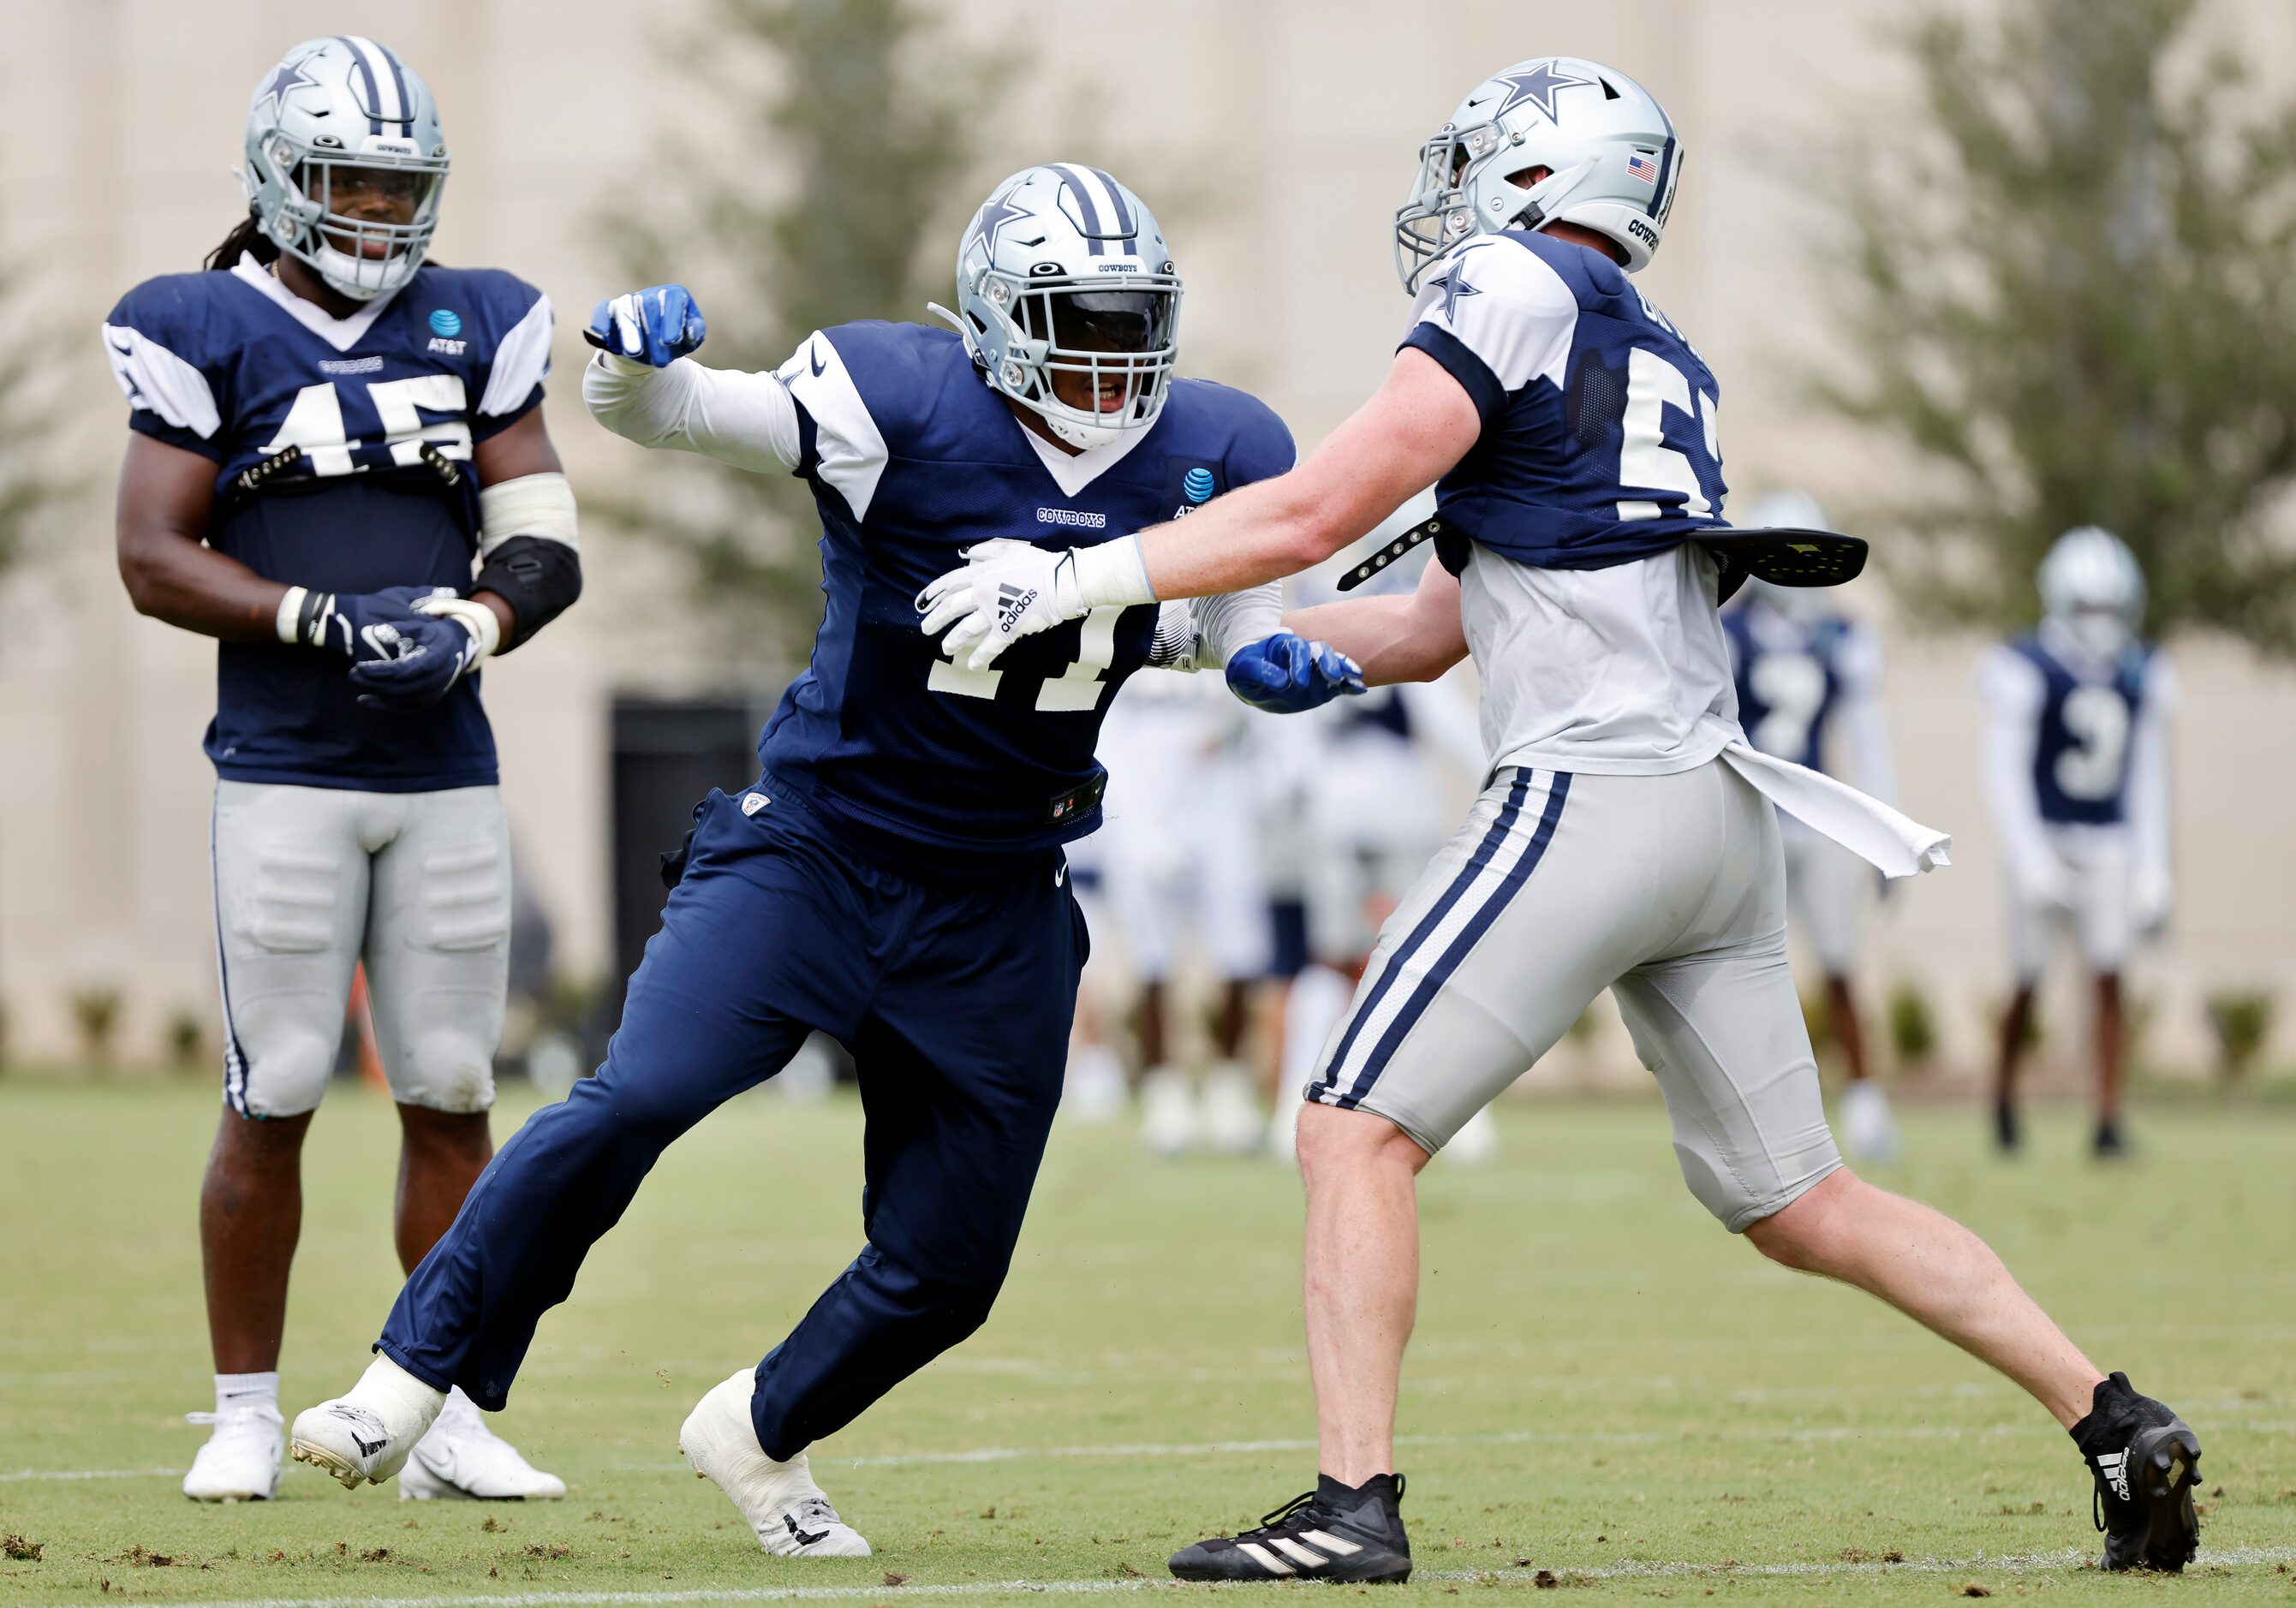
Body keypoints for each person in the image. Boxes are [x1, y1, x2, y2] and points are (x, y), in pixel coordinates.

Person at [922, 58, 2205, 1580]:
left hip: (1591, 796)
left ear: (1537, 177)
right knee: (1800, 1197)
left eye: (1479, 162)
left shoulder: (1505, 283)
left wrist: (1071, 578)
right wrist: (1304, 655)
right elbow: (1439, 620)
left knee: (1345, 1127)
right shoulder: (1655, 350)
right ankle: (2111, 1415)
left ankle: (1351, 1502)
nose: (1454, 195)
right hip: (1713, 821)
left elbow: (1318, 504)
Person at [286, 164, 1363, 1553]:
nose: (1107, 356)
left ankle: (761, 1427)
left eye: (1129, 318)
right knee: (633, 1096)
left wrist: (1245, 658)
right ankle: (405, 1377)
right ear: (993, 316)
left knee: (950, 1268)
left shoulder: (1221, 441)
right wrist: (625, 361)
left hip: (1003, 895)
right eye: (1071, 317)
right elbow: (669, 415)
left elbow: (1181, 619)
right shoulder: (896, 397)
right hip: (816, 858)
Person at [104, 36, 577, 1504]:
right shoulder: (203, 323)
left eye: (397, 185)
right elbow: (149, 554)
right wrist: (313, 617)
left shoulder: (480, 317)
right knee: (279, 1081)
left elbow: (545, 540)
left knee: (450, 1086)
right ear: (279, 181)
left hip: (442, 765)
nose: (375, 213)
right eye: (345, 183)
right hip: (287, 763)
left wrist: (475, 626)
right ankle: (244, 1406)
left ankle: (443, 1409)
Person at [1977, 527, 2173, 1158]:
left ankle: (2108, 1117)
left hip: (2107, 837)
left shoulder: (2141, 672)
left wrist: (2153, 864)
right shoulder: (2024, 666)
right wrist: (2026, 854)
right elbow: (2003, 771)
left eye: (2109, 608)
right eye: (2089, 607)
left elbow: (2147, 777)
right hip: (2047, 836)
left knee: (2110, 974)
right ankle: (2004, 1100)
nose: (2100, 622)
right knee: (2027, 978)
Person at [1722, 491, 1902, 1162]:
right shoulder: (1725, 626)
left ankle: (1864, 1103)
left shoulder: (1844, 636)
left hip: (1816, 815)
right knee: (1739, 969)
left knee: (1839, 963)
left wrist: (1881, 830)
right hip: (1748, 814)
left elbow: (1868, 738)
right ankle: (1746, 1110)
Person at [1094, 672, 1273, 1154]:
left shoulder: (1218, 612)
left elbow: (1252, 718)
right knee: (1153, 960)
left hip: (1220, 807)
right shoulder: (1123, 624)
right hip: (1142, 811)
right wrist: (1131, 826)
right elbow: (1104, 732)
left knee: (1240, 955)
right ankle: (1164, 1094)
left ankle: (1229, 1090)